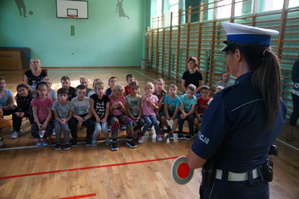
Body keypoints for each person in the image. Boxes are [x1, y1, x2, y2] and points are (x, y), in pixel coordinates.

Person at [187, 22, 287, 199]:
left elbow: (195, 161)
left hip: (226, 191)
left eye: (228, 54)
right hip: (259, 189)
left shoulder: (226, 101)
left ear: (238, 54)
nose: (227, 60)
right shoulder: (278, 101)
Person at [109, 85, 136, 150]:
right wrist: (112, 106)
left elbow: (125, 111)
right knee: (115, 122)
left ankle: (129, 139)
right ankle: (114, 141)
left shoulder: (123, 98)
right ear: (113, 92)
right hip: (112, 116)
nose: (118, 96)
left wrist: (122, 106)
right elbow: (109, 111)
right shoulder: (109, 98)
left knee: (129, 121)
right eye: (117, 94)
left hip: (121, 115)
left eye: (120, 94)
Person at [31, 82, 53, 147]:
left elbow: (50, 113)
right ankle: (38, 138)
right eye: (41, 90)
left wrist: (45, 123)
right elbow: (35, 113)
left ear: (47, 91)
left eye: (44, 90)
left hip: (47, 119)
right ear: (37, 91)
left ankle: (44, 138)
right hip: (38, 120)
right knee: (33, 131)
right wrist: (38, 123)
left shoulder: (49, 100)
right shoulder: (35, 101)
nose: (43, 92)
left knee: (49, 130)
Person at [90, 82, 110, 146]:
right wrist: (96, 117)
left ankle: (107, 138)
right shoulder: (93, 97)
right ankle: (93, 139)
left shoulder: (106, 98)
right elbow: (92, 108)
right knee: (98, 129)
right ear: (95, 90)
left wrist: (105, 118)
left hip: (104, 117)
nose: (100, 90)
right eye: (98, 89)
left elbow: (107, 109)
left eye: (102, 89)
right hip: (95, 118)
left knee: (104, 128)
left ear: (105, 90)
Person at [287, 56, 299, 141]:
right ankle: (290, 132)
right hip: (297, 92)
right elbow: (294, 78)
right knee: (296, 111)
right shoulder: (297, 63)